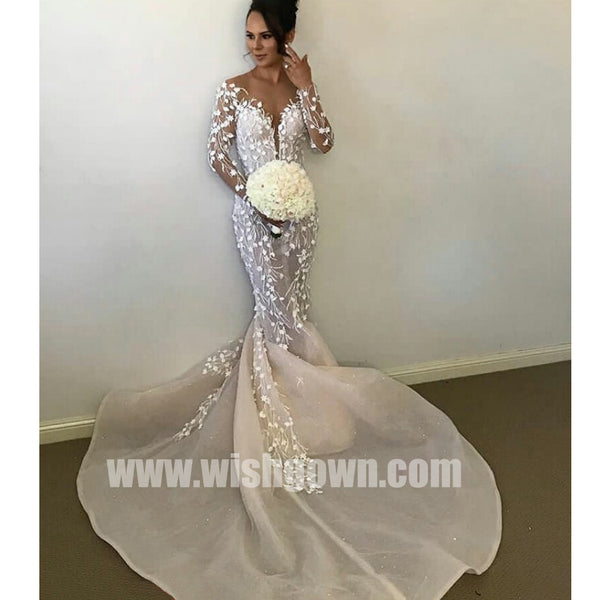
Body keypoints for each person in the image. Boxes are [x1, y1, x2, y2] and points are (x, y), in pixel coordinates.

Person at [77, 1, 502, 598]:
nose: (254, 45)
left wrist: (310, 89)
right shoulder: (232, 90)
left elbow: (323, 143)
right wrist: (253, 193)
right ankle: (275, 431)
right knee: (273, 314)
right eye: (248, 35)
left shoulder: (300, 82)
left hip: (302, 220)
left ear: (288, 36)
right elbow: (217, 154)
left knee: (293, 313)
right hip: (254, 219)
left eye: (265, 36)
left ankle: (301, 417)